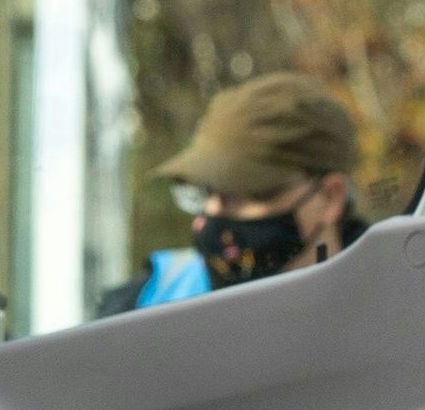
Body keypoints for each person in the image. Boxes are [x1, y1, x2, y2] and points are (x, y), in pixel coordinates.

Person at [108, 71, 368, 312]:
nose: (214, 211)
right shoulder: (150, 299)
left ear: (330, 197)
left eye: (248, 192)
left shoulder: (383, 301)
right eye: (206, 191)